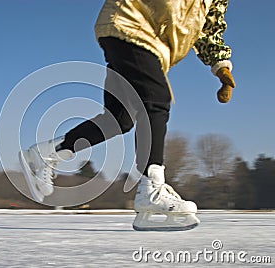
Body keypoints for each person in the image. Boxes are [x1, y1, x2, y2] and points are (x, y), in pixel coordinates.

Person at [19, 0, 236, 231]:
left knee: (118, 119)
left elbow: (208, 31)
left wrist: (221, 66)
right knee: (155, 100)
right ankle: (151, 189)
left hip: (151, 47)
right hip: (129, 23)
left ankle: (47, 154)